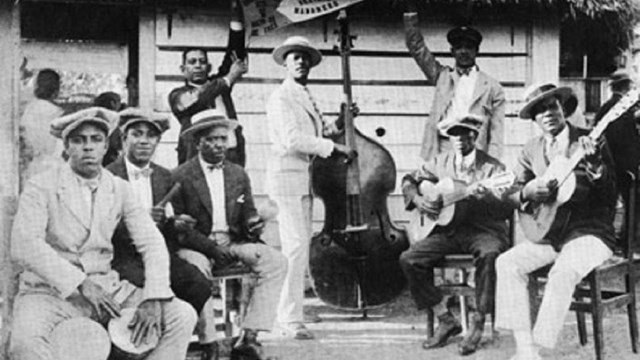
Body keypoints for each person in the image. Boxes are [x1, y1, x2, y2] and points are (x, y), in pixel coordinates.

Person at [10, 107, 197, 360]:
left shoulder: (118, 188)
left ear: (107, 145)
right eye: (78, 140)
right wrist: (80, 282)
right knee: (24, 344)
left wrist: (154, 296)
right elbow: (25, 245)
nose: (88, 147)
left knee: (181, 316)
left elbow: (151, 243)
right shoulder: (41, 186)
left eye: (95, 139)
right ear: (66, 146)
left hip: (108, 289)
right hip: (48, 292)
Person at [495, 83, 617, 360]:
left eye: (552, 106)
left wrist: (596, 165)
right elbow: (512, 192)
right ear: (535, 120)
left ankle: (538, 349)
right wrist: (527, 192)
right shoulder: (530, 149)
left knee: (561, 272)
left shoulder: (589, 139)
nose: (547, 113)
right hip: (550, 233)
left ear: (563, 109)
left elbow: (611, 193)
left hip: (590, 234)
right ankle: (524, 347)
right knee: (507, 263)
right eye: (539, 110)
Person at [171, 108, 287, 360]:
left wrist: (254, 224)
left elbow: (248, 214)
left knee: (276, 261)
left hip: (232, 242)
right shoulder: (180, 176)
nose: (218, 145)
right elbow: (181, 230)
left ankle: (250, 336)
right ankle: (209, 342)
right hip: (197, 246)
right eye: (211, 139)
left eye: (222, 139)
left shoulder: (238, 173)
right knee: (197, 270)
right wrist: (212, 249)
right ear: (197, 141)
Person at [105, 108, 219, 360]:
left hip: (157, 255)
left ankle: (169, 342)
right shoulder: (108, 176)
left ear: (158, 142)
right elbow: (101, 229)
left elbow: (165, 229)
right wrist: (140, 220)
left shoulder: (164, 176)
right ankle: (129, 347)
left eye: (151, 136)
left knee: (198, 284)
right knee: (145, 288)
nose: (144, 141)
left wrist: (173, 223)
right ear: (124, 139)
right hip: (121, 256)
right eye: (137, 134)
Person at [399, 114, 512, 356]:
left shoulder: (494, 168)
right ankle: (446, 318)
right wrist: (418, 199)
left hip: (484, 230)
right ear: (449, 138)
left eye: (465, 133)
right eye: (454, 134)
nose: (459, 139)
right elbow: (409, 180)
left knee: (490, 254)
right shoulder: (439, 162)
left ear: (475, 135)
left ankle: (478, 321)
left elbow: (507, 206)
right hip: (449, 230)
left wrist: (487, 196)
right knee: (410, 258)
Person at [266, 36, 355, 340]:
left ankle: (294, 311)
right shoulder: (281, 97)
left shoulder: (303, 94)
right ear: (285, 63)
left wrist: (341, 123)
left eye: (305, 58)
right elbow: (293, 140)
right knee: (294, 248)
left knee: (300, 247)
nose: (301, 62)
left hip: (304, 181)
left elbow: (316, 133)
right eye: (295, 57)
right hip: (288, 179)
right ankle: (289, 320)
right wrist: (336, 147)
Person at [403, 0, 505, 161]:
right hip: (442, 147)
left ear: (477, 50)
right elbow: (417, 48)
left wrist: (492, 162)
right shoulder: (442, 76)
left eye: (469, 47)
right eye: (459, 47)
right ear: (452, 51)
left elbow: (497, 131)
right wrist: (410, 15)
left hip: (474, 149)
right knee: (440, 186)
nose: (464, 51)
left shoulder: (492, 86)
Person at [168, 0, 247, 167]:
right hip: (197, 162)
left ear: (208, 67)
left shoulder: (219, 84)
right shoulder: (177, 96)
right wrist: (229, 78)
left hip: (230, 156)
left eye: (202, 62)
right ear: (183, 69)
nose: (197, 65)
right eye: (192, 62)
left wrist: (236, 19)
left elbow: (234, 54)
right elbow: (200, 98)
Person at [594, 70, 640, 250]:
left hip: (611, 165)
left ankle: (613, 240)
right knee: (632, 205)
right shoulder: (623, 108)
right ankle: (627, 243)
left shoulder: (606, 107)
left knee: (610, 206)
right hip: (624, 167)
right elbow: (628, 140)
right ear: (626, 86)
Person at [20, 68, 65, 182]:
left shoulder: (28, 109)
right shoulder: (57, 113)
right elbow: (59, 146)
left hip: (32, 166)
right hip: (53, 167)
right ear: (56, 89)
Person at [93, 91, 125, 166]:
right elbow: (117, 143)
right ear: (112, 103)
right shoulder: (113, 119)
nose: (120, 105)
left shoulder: (95, 117)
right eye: (118, 102)